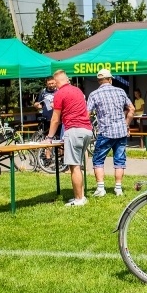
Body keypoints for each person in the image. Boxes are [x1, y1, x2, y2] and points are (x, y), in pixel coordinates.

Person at [46, 70, 93, 207]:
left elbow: (55, 119)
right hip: (87, 130)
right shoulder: (77, 90)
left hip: (74, 130)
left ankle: (79, 199)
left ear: (56, 82)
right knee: (78, 164)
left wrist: (49, 137)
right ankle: (81, 196)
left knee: (74, 167)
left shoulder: (59, 94)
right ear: (66, 79)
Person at [87, 68, 134, 197]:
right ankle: (118, 188)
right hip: (121, 132)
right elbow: (132, 109)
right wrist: (126, 124)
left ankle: (101, 189)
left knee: (98, 160)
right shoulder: (120, 91)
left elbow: (87, 113)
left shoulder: (94, 94)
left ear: (99, 81)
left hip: (105, 131)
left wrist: (89, 126)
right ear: (110, 79)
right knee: (119, 160)